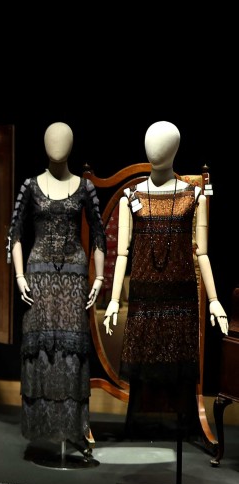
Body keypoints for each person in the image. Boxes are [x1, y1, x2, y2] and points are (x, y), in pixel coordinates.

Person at [103, 121, 227, 436]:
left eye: (162, 143)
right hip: (144, 296)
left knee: (177, 371)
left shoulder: (194, 196)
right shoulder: (129, 197)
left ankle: (178, 433)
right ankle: (144, 433)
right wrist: (115, 299)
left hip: (181, 298)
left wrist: (215, 301)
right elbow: (122, 254)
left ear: (174, 150)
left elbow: (202, 253)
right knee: (146, 369)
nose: (154, 148)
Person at [8, 122, 105, 452]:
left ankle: (72, 431)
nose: (56, 145)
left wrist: (101, 278)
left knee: (70, 353)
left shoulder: (85, 188)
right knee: (42, 353)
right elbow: (15, 233)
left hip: (74, 277)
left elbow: (99, 234)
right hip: (38, 277)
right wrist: (20, 276)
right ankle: (45, 430)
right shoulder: (30, 187)